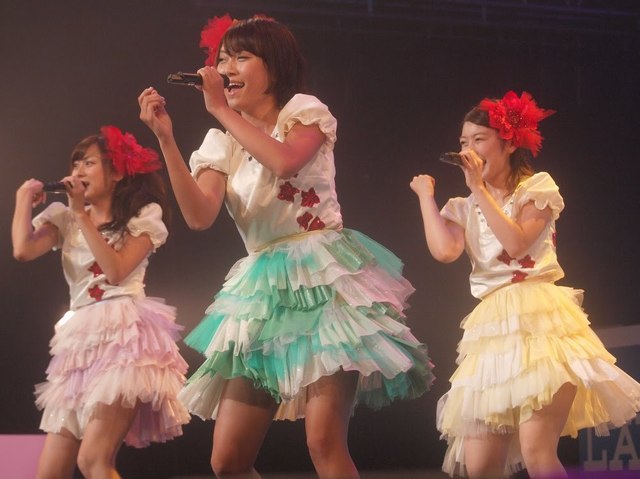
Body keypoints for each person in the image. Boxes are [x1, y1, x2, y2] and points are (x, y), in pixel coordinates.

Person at [139, 13, 433, 479]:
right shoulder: (221, 142)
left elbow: (286, 162)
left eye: (241, 57)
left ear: (273, 66)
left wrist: (221, 110)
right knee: (227, 461)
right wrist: (167, 141)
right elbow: (198, 216)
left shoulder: (303, 111)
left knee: (323, 441)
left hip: (324, 277)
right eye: (222, 59)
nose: (226, 68)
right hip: (262, 290)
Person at [410, 90, 640, 478]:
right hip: (491, 330)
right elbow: (445, 251)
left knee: (537, 451)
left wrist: (478, 189)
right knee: (480, 466)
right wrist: (425, 198)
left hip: (539, 321)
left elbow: (517, 244)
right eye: (464, 142)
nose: (469, 149)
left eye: (479, 139)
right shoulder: (463, 206)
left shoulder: (536, 188)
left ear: (509, 143)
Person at [12, 126, 190, 479]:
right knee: (49, 472)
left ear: (117, 172)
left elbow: (116, 271)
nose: (77, 171)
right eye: (75, 163)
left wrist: (81, 215)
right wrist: (22, 200)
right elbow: (23, 250)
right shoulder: (63, 216)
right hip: (79, 344)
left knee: (93, 460)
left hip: (125, 338)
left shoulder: (143, 215)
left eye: (88, 163)